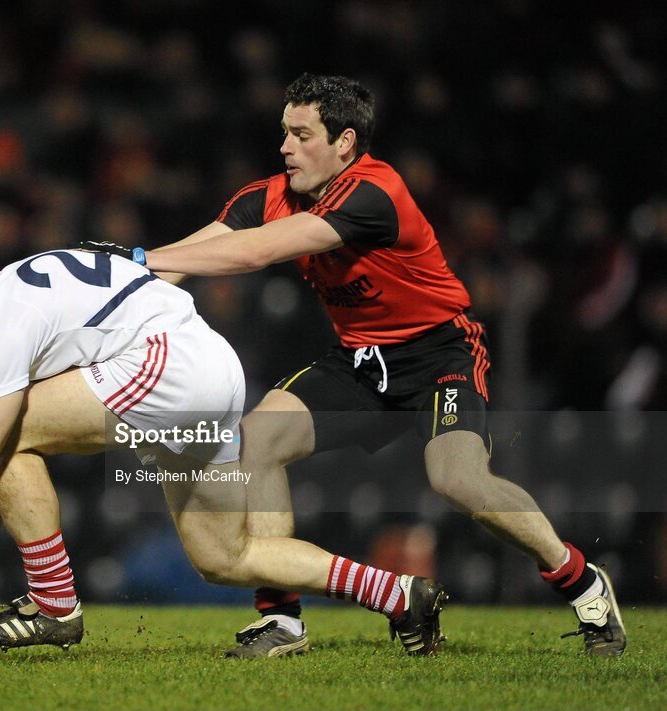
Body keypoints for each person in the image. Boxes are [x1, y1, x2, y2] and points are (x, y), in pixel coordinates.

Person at [80, 73, 627, 658]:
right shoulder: (265, 195)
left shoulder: (376, 190)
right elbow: (185, 261)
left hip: (437, 354)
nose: (285, 147)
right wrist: (113, 289)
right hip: (360, 362)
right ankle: (282, 621)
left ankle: (583, 583)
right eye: (283, 133)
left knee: (458, 480)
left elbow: (254, 252)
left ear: (344, 142)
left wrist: (140, 255)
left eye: (301, 134)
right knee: (256, 441)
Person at [0, 253, 448, 656]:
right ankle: (397, 594)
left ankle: (53, 605)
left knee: (1, 433)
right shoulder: (7, 293)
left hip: (167, 368)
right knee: (225, 556)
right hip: (214, 371)